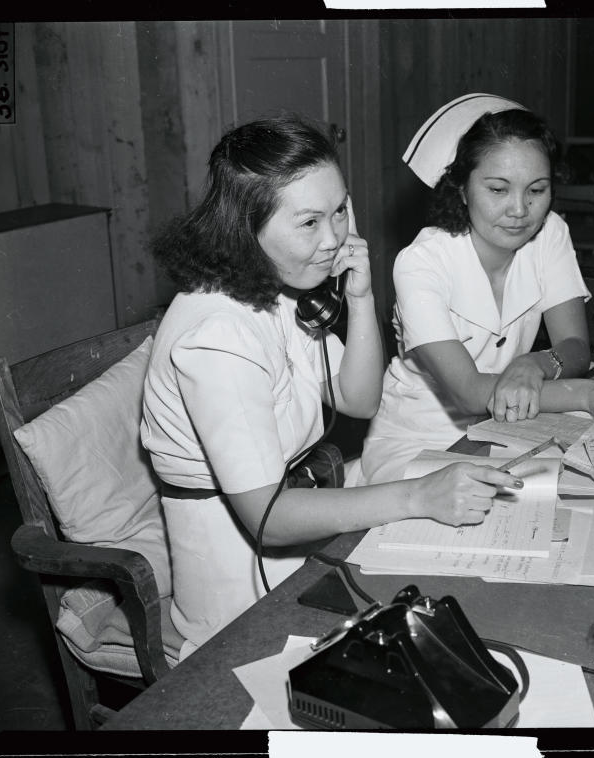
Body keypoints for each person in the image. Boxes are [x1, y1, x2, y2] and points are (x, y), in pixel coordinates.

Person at [141, 114, 524, 655]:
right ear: (244, 229)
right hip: (241, 596)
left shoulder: (275, 286)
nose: (334, 238)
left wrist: (361, 298)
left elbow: (358, 399)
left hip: (306, 532)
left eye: (340, 210)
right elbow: (268, 518)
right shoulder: (218, 337)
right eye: (309, 222)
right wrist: (419, 495)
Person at [357, 94, 594, 485]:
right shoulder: (420, 263)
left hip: (514, 425)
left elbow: (574, 347)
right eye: (498, 190)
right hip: (419, 442)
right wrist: (589, 395)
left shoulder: (550, 233)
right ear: (462, 189)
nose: (520, 210)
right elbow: (469, 393)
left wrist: (533, 364)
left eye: (536, 190)